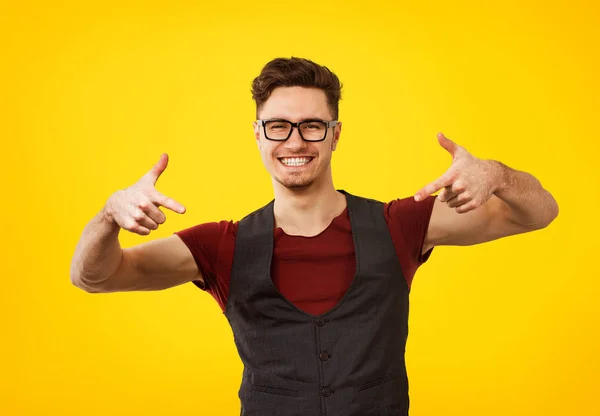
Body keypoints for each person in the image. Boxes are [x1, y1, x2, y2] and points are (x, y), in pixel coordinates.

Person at [70, 57, 559, 415]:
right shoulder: (220, 246)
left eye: (311, 126)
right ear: (258, 135)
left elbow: (538, 213)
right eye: (279, 127)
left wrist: (496, 173)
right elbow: (94, 277)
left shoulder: (399, 224)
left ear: (336, 132)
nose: (295, 141)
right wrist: (108, 216)